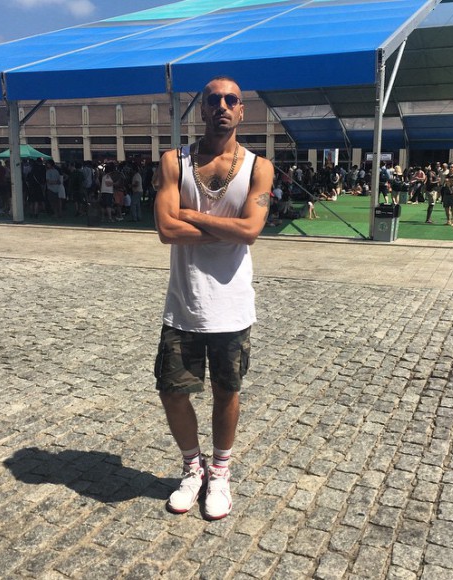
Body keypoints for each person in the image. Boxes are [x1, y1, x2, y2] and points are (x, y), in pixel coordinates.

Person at [153, 76, 274, 520]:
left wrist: (190, 215)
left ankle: (219, 472)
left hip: (232, 306)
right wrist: (227, 229)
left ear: (242, 110)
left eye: (231, 100)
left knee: (227, 391)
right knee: (172, 391)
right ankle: (193, 467)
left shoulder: (259, 168)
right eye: (213, 100)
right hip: (184, 304)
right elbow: (166, 230)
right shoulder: (174, 161)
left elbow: (251, 230)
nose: (222, 106)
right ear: (201, 110)